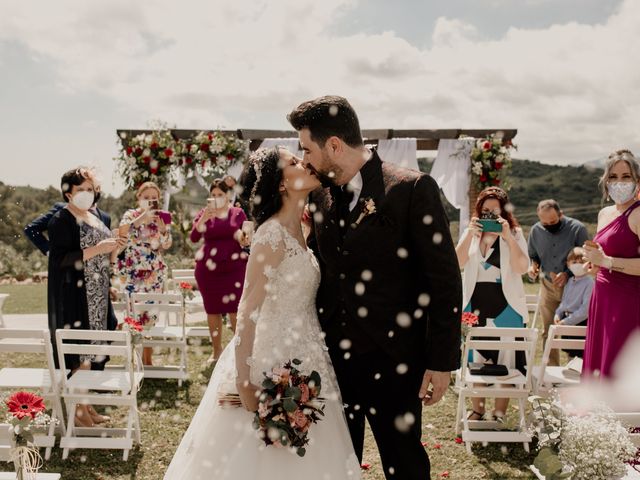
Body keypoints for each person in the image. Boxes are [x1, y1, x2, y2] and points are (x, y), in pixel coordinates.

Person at [289, 96, 462, 480]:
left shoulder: (411, 188)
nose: (304, 160)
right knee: (337, 464)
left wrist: (441, 361)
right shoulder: (319, 195)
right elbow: (318, 270)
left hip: (397, 359)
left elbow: (444, 279)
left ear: (333, 145)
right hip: (333, 359)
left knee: (405, 466)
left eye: (307, 149)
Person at [165, 147, 361, 479]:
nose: (305, 163)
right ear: (281, 183)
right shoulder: (269, 235)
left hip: (307, 361)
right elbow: (247, 309)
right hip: (269, 362)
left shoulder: (303, 230)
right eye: (294, 163)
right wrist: (245, 381)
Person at [48, 168, 125, 427]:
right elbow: (60, 260)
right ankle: (79, 410)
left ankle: (86, 404)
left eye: (90, 189)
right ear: (68, 192)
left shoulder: (94, 217)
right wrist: (97, 249)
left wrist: (114, 250)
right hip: (75, 295)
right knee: (79, 351)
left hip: (98, 294)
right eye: (81, 189)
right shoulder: (62, 219)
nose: (86, 194)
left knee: (92, 350)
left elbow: (105, 257)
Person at [455, 186, 529, 423]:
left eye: (495, 211)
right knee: (475, 357)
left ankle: (498, 414)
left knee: (505, 360)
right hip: (474, 304)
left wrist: (508, 237)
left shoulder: (514, 233)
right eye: (485, 211)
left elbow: (522, 268)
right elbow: (457, 262)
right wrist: (469, 234)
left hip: (507, 306)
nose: (490, 215)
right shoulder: (472, 233)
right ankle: (477, 409)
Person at [583, 149, 640, 379]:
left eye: (626, 176)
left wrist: (607, 261)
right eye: (613, 177)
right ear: (606, 183)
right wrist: (595, 265)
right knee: (600, 363)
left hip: (629, 301)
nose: (619, 182)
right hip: (602, 297)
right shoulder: (604, 213)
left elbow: (611, 259)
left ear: (637, 181)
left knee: (619, 367)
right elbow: (604, 257)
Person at [190, 179, 249, 362]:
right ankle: (217, 351)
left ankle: (240, 352)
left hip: (235, 267)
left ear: (228, 195)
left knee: (235, 310)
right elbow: (193, 237)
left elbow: (243, 235)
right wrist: (204, 218)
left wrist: (243, 238)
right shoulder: (204, 213)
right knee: (212, 310)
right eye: (213, 195)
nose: (216, 198)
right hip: (208, 269)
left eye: (220, 195)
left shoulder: (237, 213)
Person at [115, 181, 172, 365]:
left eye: (153, 198)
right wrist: (142, 218)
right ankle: (133, 359)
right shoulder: (131, 215)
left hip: (154, 275)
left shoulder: (162, 217)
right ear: (138, 198)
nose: (150, 200)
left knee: (150, 317)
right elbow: (122, 231)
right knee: (134, 316)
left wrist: (163, 230)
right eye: (146, 197)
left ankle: (147, 360)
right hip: (133, 273)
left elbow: (166, 244)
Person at [527, 199, 588, 366]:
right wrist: (533, 267)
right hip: (548, 286)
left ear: (561, 214)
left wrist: (567, 274)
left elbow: (585, 257)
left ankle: (575, 368)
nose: (548, 225)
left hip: (574, 286)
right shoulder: (535, 231)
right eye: (544, 223)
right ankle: (549, 371)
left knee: (573, 329)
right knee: (547, 330)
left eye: (553, 222)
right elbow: (533, 255)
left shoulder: (577, 229)